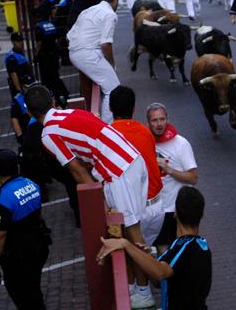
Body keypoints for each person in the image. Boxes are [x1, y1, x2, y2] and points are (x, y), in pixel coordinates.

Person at [24, 86, 155, 308]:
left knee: (133, 234)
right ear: (53, 101)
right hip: (132, 159)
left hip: (118, 172)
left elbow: (77, 170)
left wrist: (98, 203)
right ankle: (134, 286)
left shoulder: (48, 134)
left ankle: (145, 292)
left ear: (29, 112)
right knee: (127, 230)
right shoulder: (70, 113)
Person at [97, 186, 212, 310]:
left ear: (175, 213)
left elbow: (161, 273)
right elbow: (160, 281)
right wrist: (148, 257)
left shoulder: (183, 246)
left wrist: (125, 244)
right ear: (202, 214)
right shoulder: (201, 245)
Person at [0, 149, 51, 309]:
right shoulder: (32, 184)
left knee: (24, 298)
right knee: (34, 289)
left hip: (19, 258)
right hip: (38, 248)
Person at [109, 86, 165, 248]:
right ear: (134, 109)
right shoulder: (146, 132)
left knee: (136, 257)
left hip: (133, 213)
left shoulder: (107, 134)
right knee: (144, 253)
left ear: (110, 108)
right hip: (156, 209)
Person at [146, 103, 198, 254]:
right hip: (159, 210)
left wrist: (169, 170)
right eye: (154, 120)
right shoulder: (144, 143)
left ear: (167, 119)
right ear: (148, 122)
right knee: (164, 251)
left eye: (162, 119)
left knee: (185, 251)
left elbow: (193, 178)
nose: (159, 124)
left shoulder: (181, 144)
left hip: (180, 208)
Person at [67, 0, 120, 124]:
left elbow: (69, 36)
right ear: (115, 0)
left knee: (104, 84)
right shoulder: (110, 14)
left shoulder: (88, 10)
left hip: (74, 52)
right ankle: (107, 127)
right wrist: (112, 64)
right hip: (87, 53)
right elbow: (106, 44)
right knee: (113, 88)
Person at [34, 1, 69, 108]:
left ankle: (52, 98)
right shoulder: (52, 25)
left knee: (46, 79)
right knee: (55, 76)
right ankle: (63, 94)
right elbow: (58, 40)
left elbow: (39, 43)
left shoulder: (39, 26)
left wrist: (35, 56)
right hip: (54, 55)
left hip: (44, 57)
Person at [5, 33, 37, 98]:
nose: (21, 43)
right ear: (13, 42)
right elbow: (13, 75)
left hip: (28, 85)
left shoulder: (19, 53)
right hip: (22, 88)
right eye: (18, 41)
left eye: (21, 40)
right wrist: (19, 90)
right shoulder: (11, 57)